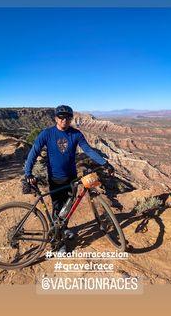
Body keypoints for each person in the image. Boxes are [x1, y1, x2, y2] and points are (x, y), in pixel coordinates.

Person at [24, 105, 114, 253]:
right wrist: (28, 173)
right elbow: (33, 153)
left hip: (71, 179)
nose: (64, 120)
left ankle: (64, 229)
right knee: (57, 208)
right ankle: (58, 243)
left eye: (67, 117)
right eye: (61, 117)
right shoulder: (47, 134)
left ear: (71, 119)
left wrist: (105, 163)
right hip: (54, 178)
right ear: (55, 118)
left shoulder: (76, 134)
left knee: (68, 208)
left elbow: (88, 150)